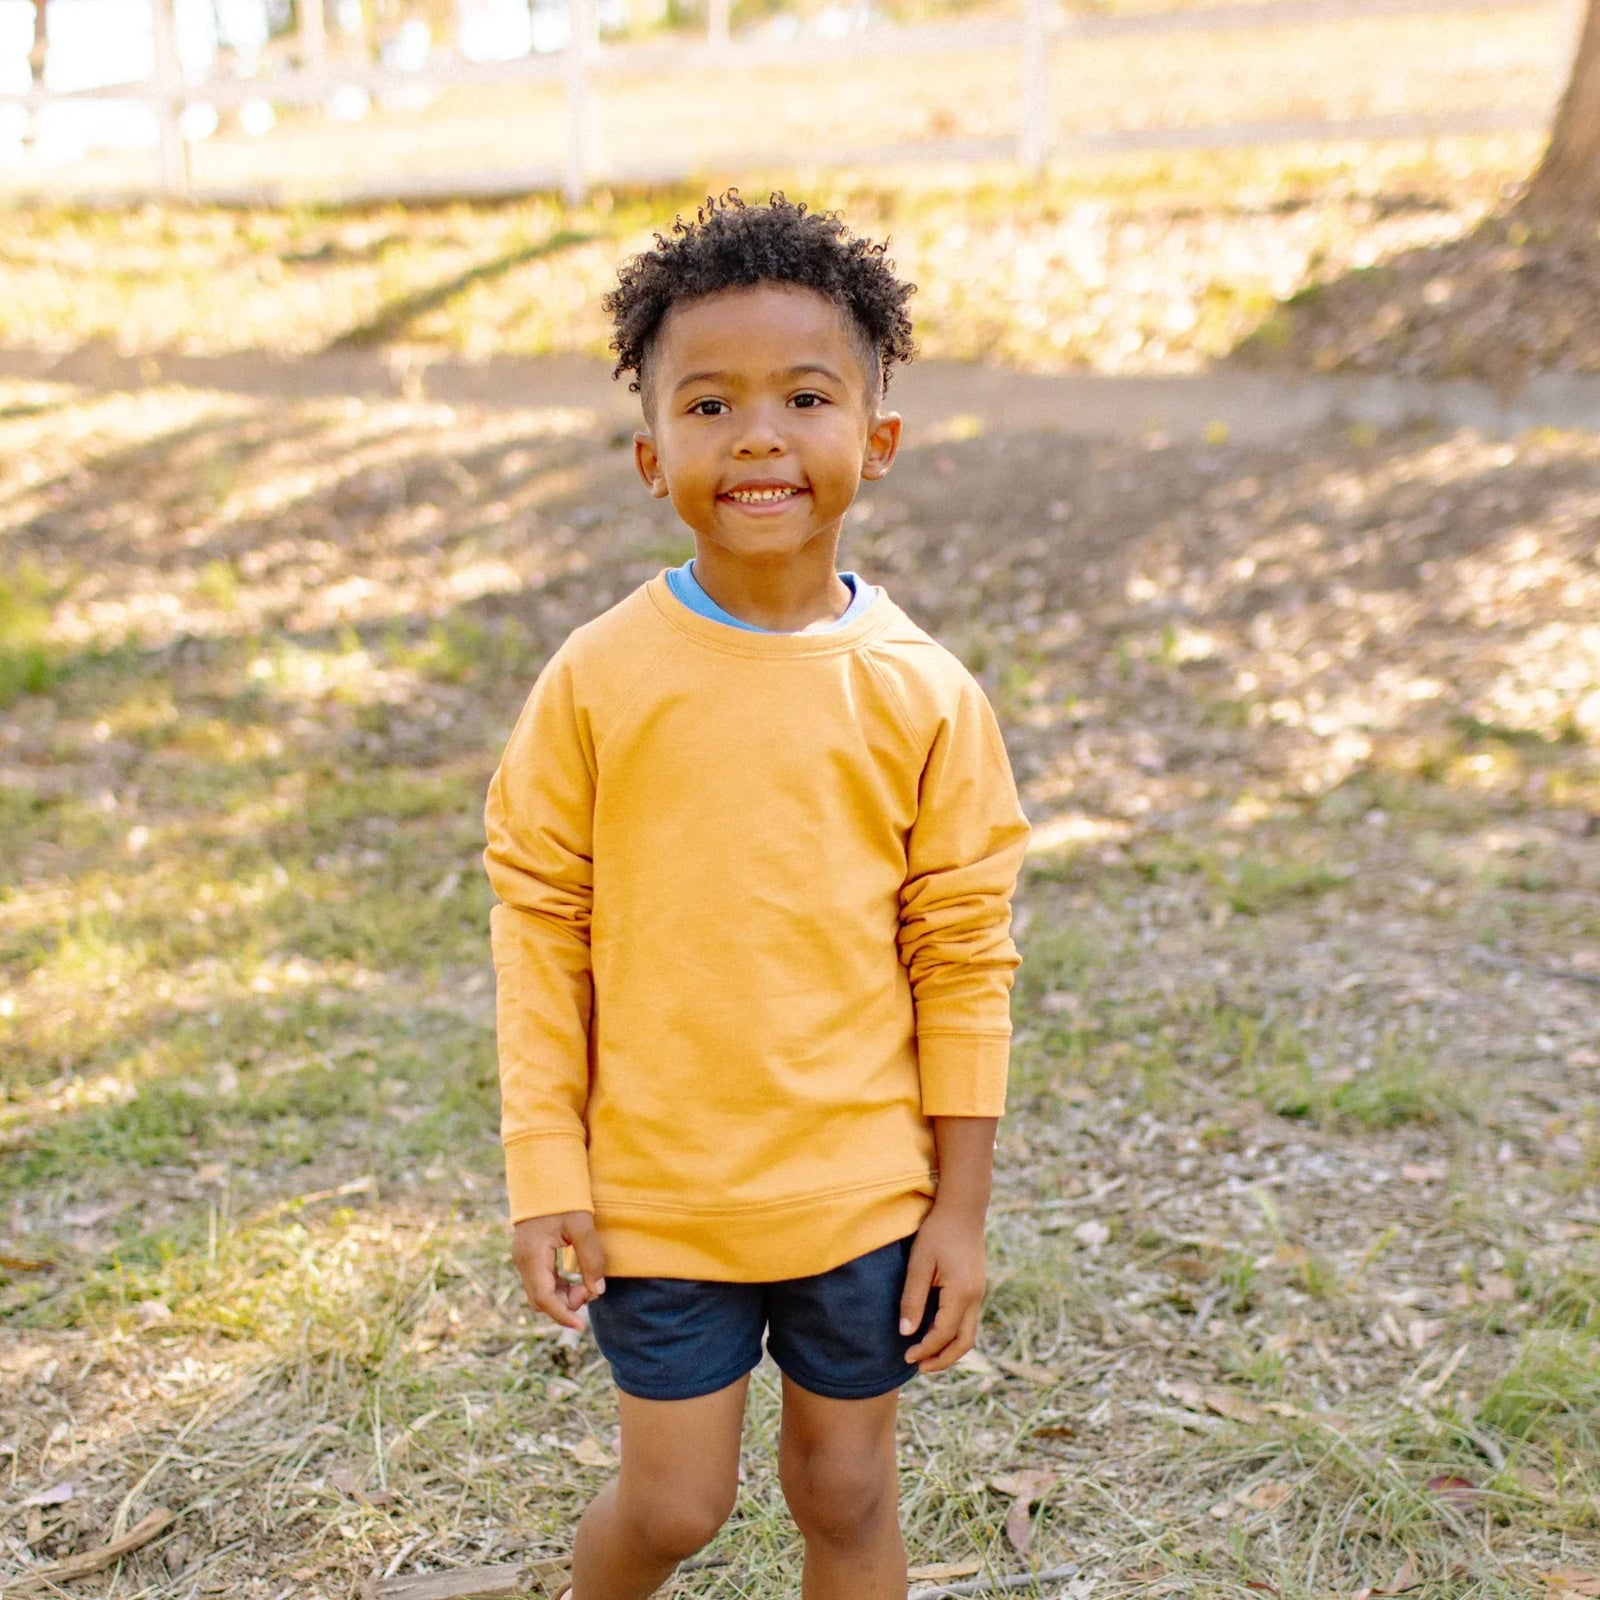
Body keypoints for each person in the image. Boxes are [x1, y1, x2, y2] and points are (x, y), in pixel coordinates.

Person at [483, 192, 1030, 1600]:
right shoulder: (598, 680)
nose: (762, 437)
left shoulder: (924, 693)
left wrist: (958, 1210)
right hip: (659, 1193)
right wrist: (548, 1172)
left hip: (862, 1195)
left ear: (877, 440)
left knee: (844, 1494)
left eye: (806, 395)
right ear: (651, 453)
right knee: (674, 1508)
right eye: (711, 404)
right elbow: (539, 926)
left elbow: (964, 955)